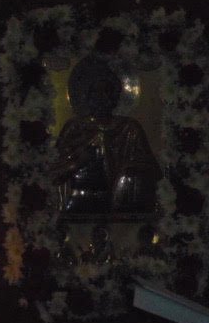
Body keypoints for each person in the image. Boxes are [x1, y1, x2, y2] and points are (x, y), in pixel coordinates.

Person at [51, 57, 162, 215]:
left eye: (107, 92)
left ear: (115, 97)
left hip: (123, 201)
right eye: (95, 92)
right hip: (80, 199)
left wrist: (128, 172)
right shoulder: (76, 127)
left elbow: (151, 169)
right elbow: (55, 169)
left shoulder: (129, 128)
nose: (101, 98)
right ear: (87, 96)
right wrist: (79, 160)